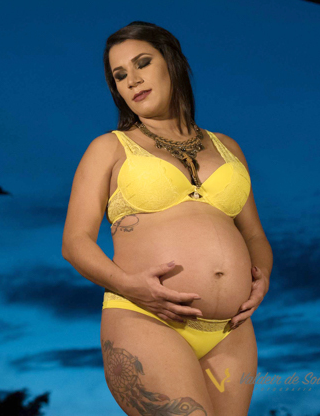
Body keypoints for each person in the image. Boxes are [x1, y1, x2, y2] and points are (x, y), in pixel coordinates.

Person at [61, 21, 272, 416]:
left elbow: (254, 235)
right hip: (146, 317)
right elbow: (74, 243)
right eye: (119, 75)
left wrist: (263, 279)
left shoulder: (228, 147)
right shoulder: (109, 148)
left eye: (142, 63)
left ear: (172, 62)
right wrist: (129, 286)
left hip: (232, 330)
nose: (132, 80)